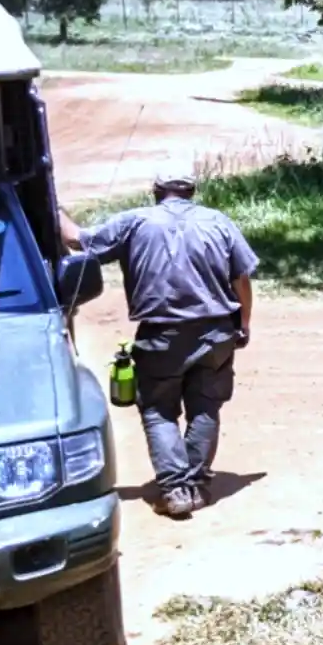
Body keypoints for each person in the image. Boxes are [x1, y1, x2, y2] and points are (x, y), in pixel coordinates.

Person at [60, 171, 258, 520]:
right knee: (205, 407)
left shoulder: (135, 221)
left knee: (159, 410)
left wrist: (52, 206)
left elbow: (79, 240)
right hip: (217, 333)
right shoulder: (219, 222)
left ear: (156, 190)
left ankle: (177, 489)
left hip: (160, 336)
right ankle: (197, 485)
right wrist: (243, 323)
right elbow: (241, 278)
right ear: (192, 190)